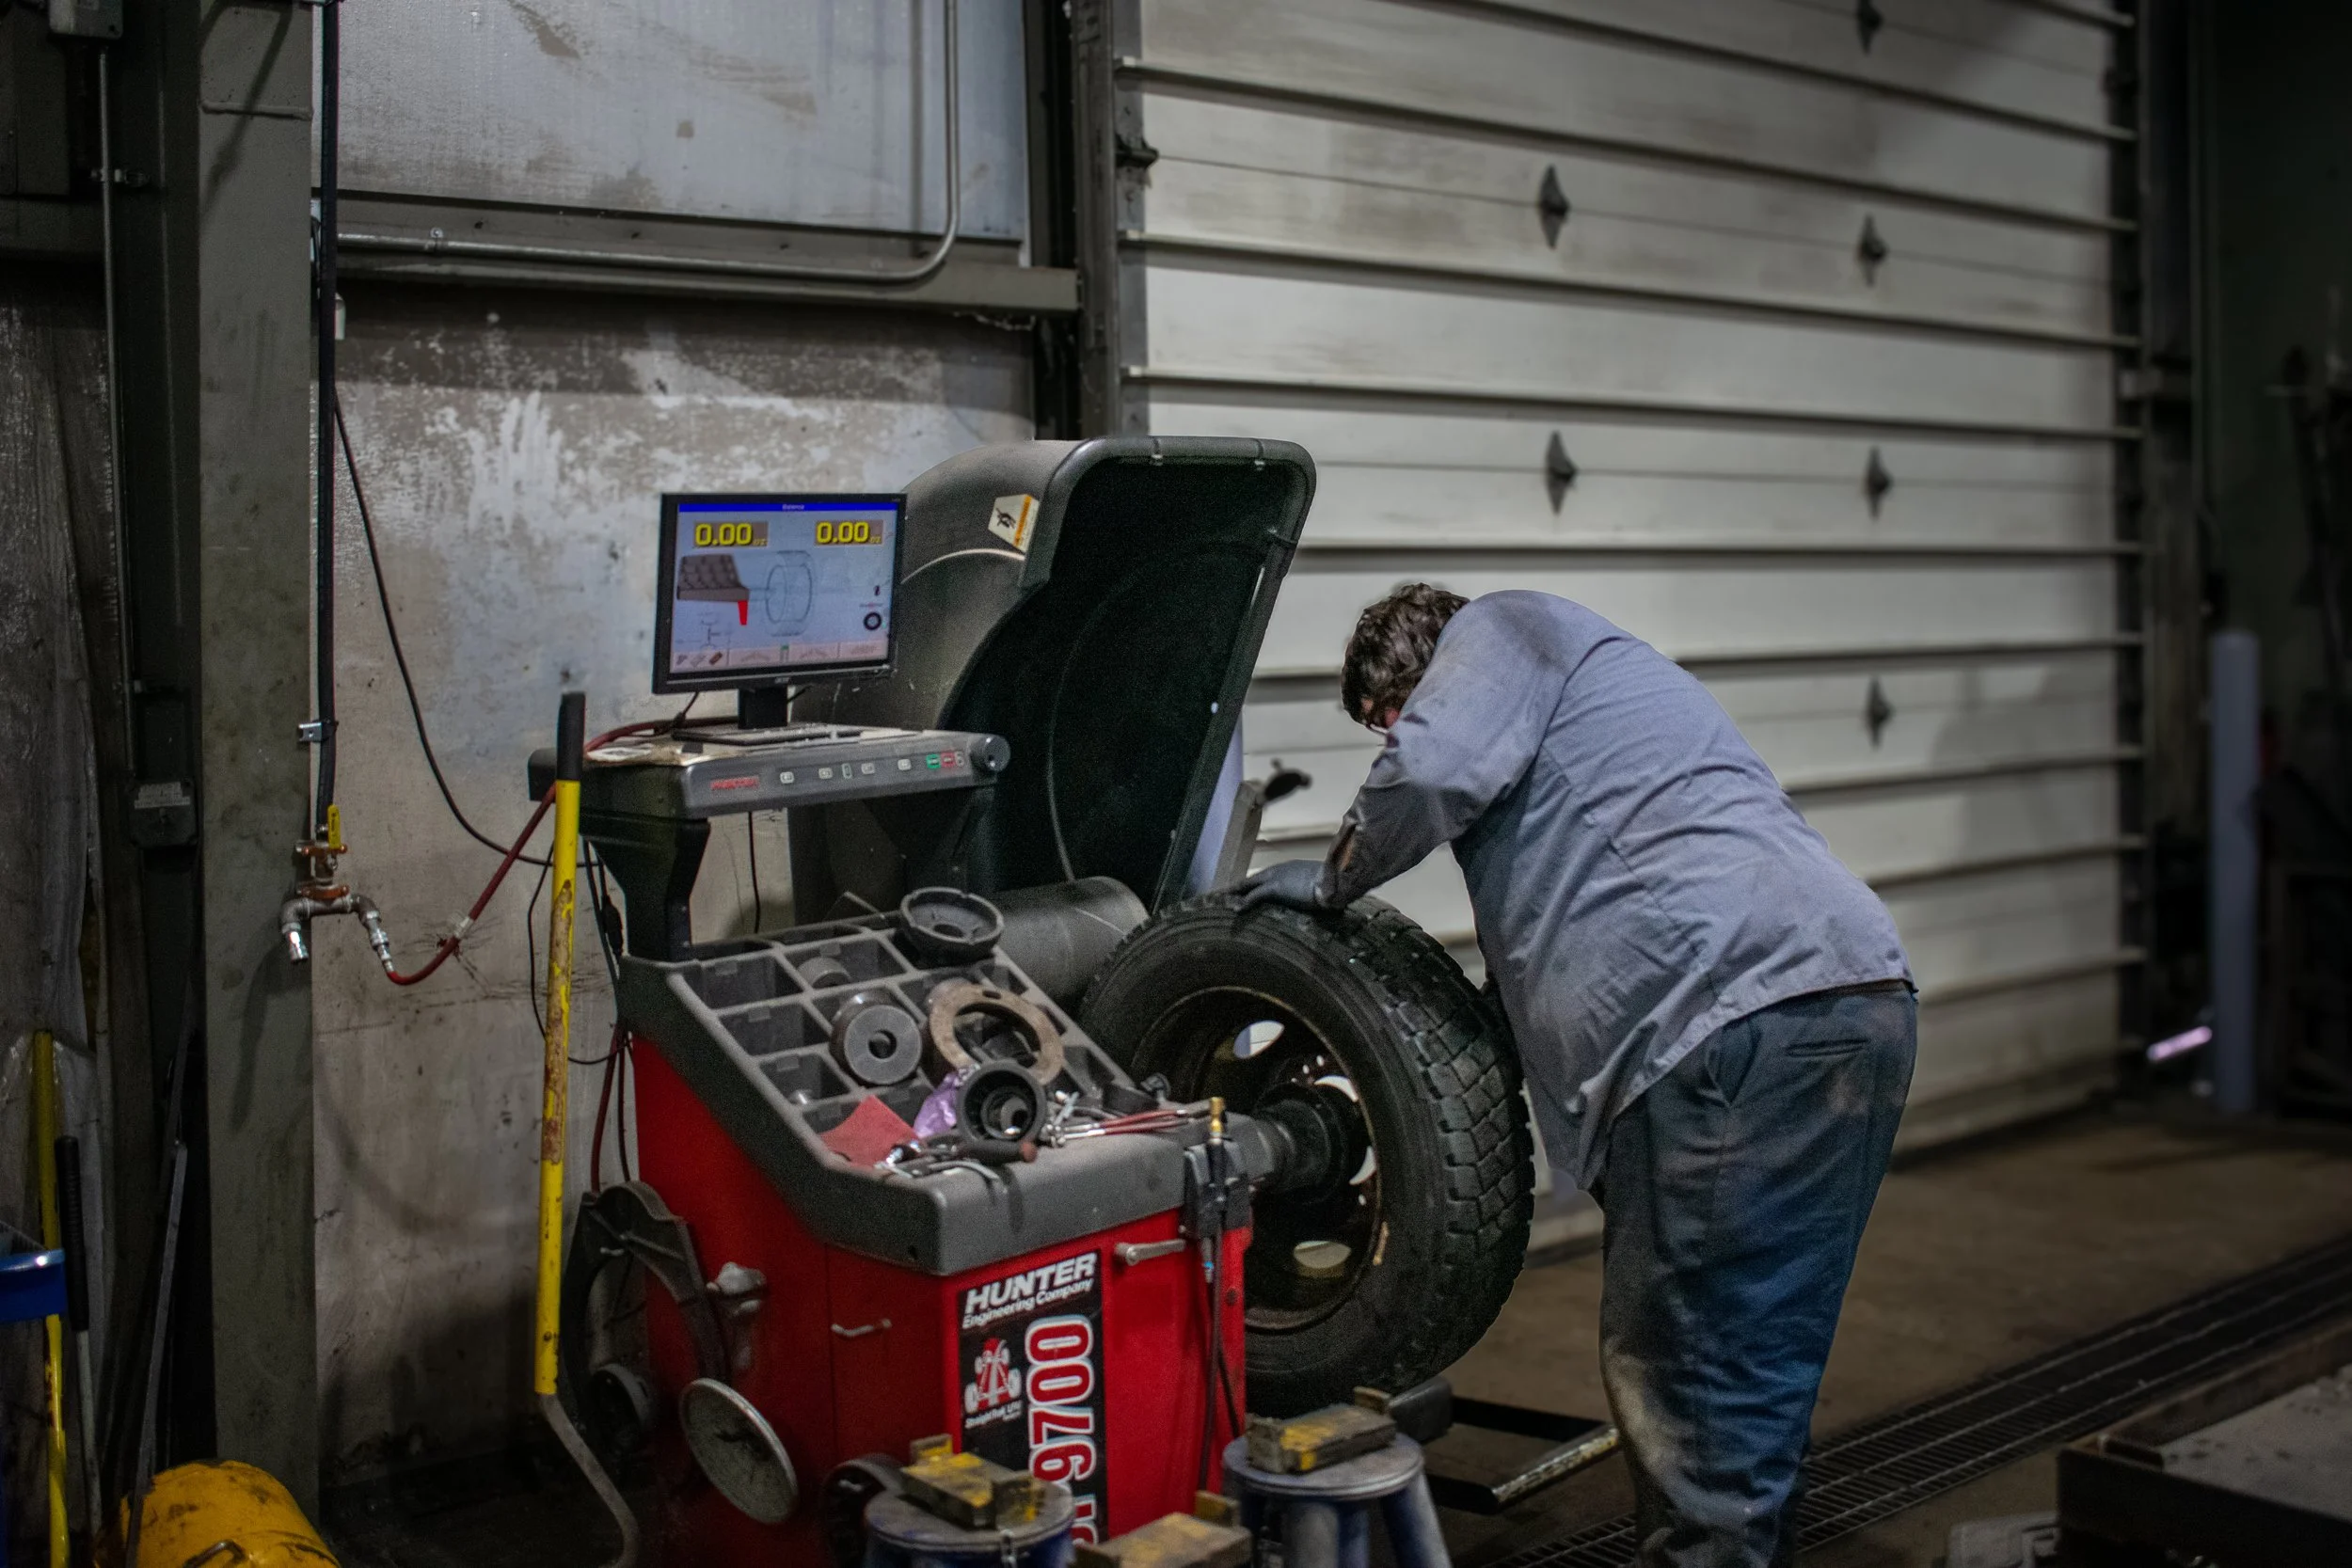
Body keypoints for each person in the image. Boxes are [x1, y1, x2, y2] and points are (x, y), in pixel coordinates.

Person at [1240, 584, 1915, 1568]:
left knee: (1694, 1377)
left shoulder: (1502, 627)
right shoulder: (1588, 713)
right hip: (1850, 1005)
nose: (1393, 739)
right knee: (1756, 1360)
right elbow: (1545, 951)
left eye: (1386, 718)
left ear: (1415, 673)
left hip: (1726, 1030)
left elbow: (1428, 769)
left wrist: (1338, 871)